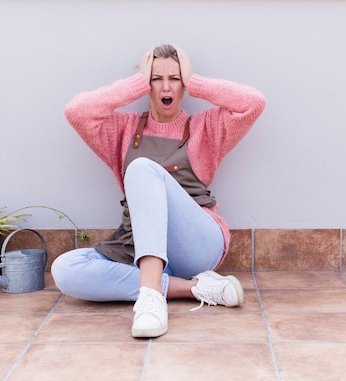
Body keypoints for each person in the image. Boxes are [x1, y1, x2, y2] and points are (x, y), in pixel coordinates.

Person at [51, 44, 266, 338]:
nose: (166, 87)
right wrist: (138, 81)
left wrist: (196, 81)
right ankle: (194, 288)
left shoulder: (205, 128)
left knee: (141, 168)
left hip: (195, 244)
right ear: (147, 85)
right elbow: (76, 111)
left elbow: (253, 103)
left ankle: (150, 299)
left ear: (185, 84)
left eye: (175, 78)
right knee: (65, 270)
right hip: (136, 244)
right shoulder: (123, 129)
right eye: (156, 78)